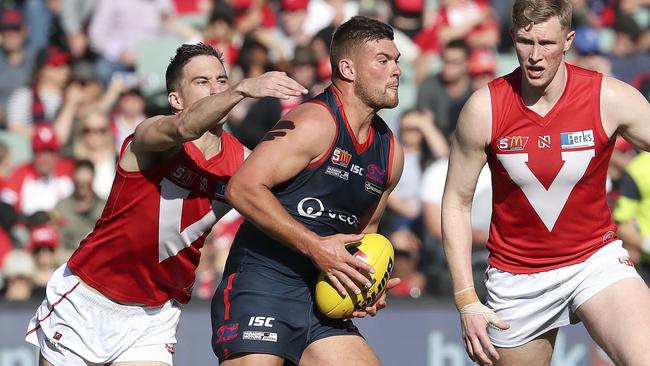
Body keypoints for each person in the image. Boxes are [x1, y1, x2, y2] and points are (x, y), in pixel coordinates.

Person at [25, 42, 307, 366]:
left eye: (222, 80)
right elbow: (185, 127)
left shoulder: (243, 163)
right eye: (202, 82)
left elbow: (294, 206)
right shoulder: (151, 136)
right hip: (88, 299)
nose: (215, 88)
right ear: (176, 99)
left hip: (153, 316)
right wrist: (241, 89)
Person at [441, 1, 650, 365]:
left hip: (594, 262)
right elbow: (456, 202)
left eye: (547, 44)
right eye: (526, 42)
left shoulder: (608, 97)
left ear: (568, 40)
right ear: (512, 39)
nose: (535, 56)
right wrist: (466, 299)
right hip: (517, 279)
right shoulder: (484, 108)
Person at [211, 16, 404, 365]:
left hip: (321, 295)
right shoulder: (313, 122)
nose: (396, 71)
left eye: (396, 61)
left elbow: (364, 236)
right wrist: (317, 248)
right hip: (262, 283)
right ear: (348, 68)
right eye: (383, 60)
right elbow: (242, 188)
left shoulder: (390, 151)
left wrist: (363, 286)